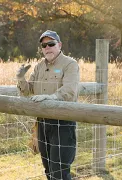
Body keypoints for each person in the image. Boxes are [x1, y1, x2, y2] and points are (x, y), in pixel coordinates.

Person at [16, 30, 79, 180]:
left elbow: (69, 90)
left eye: (51, 44)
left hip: (63, 121)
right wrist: (20, 78)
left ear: (60, 45)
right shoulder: (38, 67)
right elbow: (28, 91)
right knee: (48, 169)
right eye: (44, 45)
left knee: (60, 171)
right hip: (43, 122)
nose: (47, 48)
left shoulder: (70, 64)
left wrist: (50, 98)